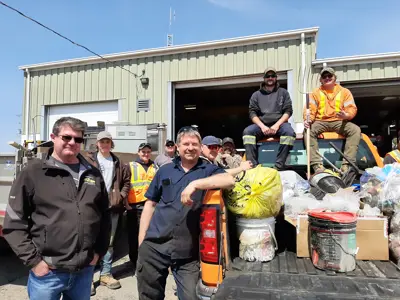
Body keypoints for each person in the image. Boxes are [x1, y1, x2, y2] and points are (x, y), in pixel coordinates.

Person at [3, 117, 111, 300]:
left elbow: (105, 217)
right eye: (67, 137)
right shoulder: (34, 172)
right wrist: (35, 262)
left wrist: (98, 253)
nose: (72, 143)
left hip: (83, 271)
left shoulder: (92, 173)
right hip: (47, 273)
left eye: (78, 139)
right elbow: (14, 223)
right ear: (53, 137)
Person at [136, 126, 236, 300]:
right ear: (177, 147)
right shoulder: (165, 170)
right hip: (154, 246)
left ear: (200, 147)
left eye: (195, 144)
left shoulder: (208, 169)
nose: (190, 147)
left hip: (187, 252)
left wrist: (196, 184)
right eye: (186, 143)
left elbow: (229, 180)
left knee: (190, 296)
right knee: (149, 296)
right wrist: (142, 242)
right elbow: (150, 204)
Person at [85, 131, 131, 295]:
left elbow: (126, 181)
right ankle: (87, 279)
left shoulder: (118, 161)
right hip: (92, 208)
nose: (105, 144)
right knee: (90, 242)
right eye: (102, 141)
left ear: (111, 143)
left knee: (109, 243)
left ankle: (105, 274)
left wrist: (121, 196)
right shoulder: (88, 160)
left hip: (112, 208)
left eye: (108, 141)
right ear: (97, 143)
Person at [304, 67, 361, 173]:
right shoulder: (315, 92)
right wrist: (308, 120)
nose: (327, 78)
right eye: (324, 76)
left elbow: (352, 108)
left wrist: (347, 115)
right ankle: (317, 166)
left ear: (335, 78)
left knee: (355, 130)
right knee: (308, 131)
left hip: (339, 121)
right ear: (320, 80)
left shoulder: (345, 92)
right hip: (320, 121)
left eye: (329, 76)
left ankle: (347, 165)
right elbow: (310, 109)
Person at [243, 67, 296, 169]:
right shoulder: (256, 95)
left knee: (289, 133)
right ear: (264, 78)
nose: (270, 78)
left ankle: (279, 166)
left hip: (280, 125)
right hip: (262, 125)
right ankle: (253, 167)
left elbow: (288, 111)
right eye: (268, 76)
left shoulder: (283, 93)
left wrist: (276, 125)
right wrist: (262, 127)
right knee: (247, 132)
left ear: (276, 78)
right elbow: (252, 113)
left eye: (272, 76)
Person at [126, 142, 156, 272]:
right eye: (143, 152)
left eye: (148, 152)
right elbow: (125, 184)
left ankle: (147, 260)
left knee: (149, 236)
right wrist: (125, 204)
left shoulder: (155, 167)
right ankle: (135, 261)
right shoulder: (131, 166)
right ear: (138, 152)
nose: (146, 154)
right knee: (134, 236)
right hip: (134, 207)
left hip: (150, 207)